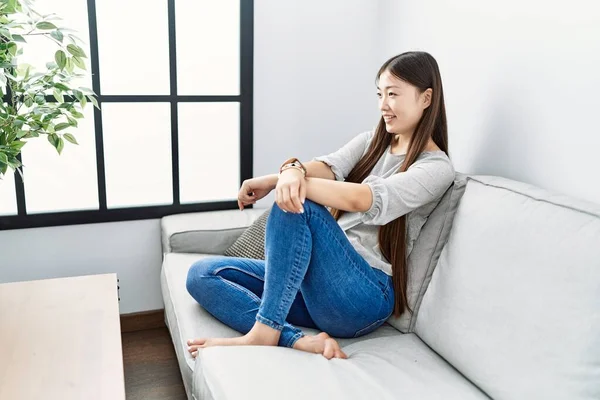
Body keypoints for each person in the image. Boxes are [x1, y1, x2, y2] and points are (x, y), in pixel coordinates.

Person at [185, 51, 455, 360]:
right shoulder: (371, 142)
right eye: (380, 94)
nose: (383, 105)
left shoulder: (435, 169)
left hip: (364, 297)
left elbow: (363, 198)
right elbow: (324, 167)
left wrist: (291, 179)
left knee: (300, 206)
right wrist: (282, 175)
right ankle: (293, 339)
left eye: (393, 95)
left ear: (426, 98)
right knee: (202, 274)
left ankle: (264, 331)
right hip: (316, 288)